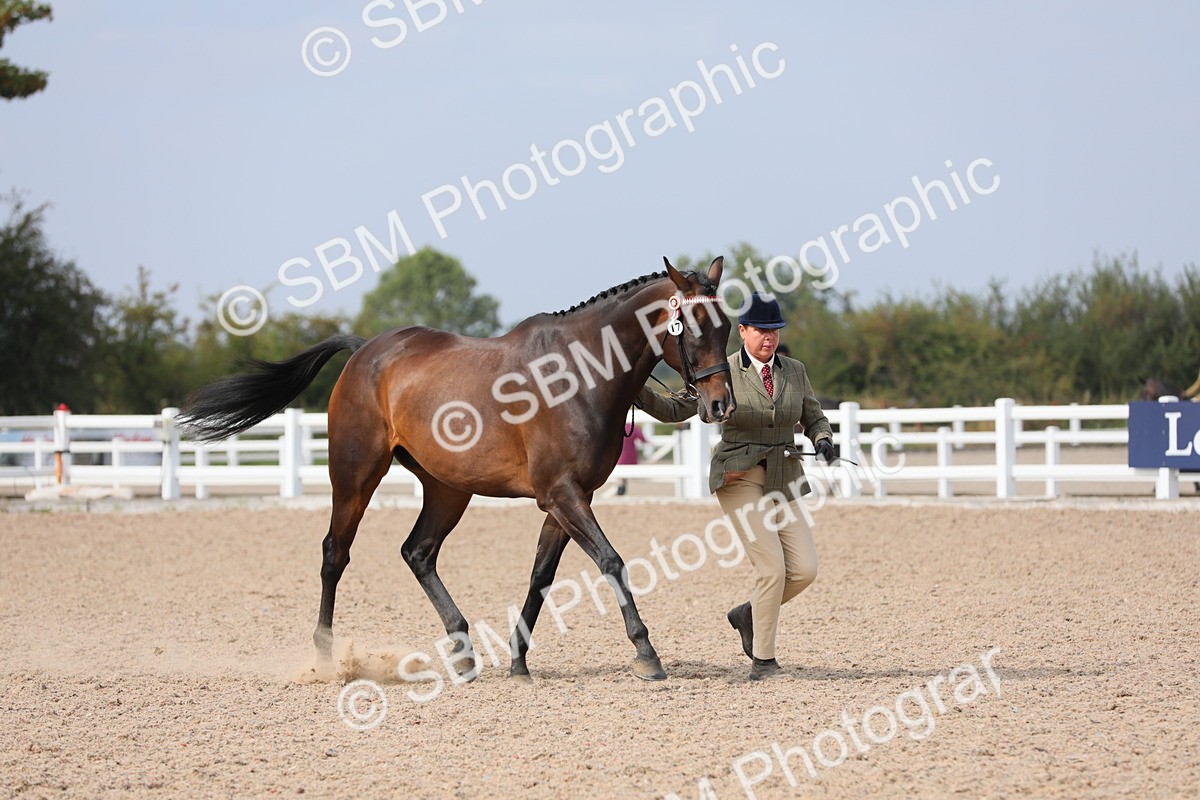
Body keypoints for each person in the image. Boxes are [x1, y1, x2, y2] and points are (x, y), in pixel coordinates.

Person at [635, 292, 834, 680]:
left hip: (784, 474)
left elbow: (813, 414)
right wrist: (635, 390)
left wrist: (822, 437)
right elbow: (675, 408)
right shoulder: (720, 370)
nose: (768, 338)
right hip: (738, 476)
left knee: (805, 570)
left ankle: (747, 612)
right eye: (760, 330)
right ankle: (764, 662)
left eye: (774, 331)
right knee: (772, 569)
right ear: (742, 331)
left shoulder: (795, 370)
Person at [615, 424, 648, 495]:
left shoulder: (617, 427)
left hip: (620, 454)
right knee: (629, 472)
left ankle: (621, 488)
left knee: (620, 474)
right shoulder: (634, 428)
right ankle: (623, 488)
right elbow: (643, 439)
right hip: (631, 454)